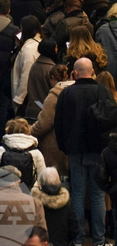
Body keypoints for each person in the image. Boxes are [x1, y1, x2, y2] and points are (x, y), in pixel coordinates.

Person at [55, 57, 110, 245]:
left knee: (77, 195)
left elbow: (59, 123)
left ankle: (77, 239)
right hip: (98, 150)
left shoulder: (66, 93)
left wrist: (64, 146)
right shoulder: (102, 91)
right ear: (92, 71)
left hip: (75, 150)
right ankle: (99, 239)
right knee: (98, 196)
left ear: (75, 73)